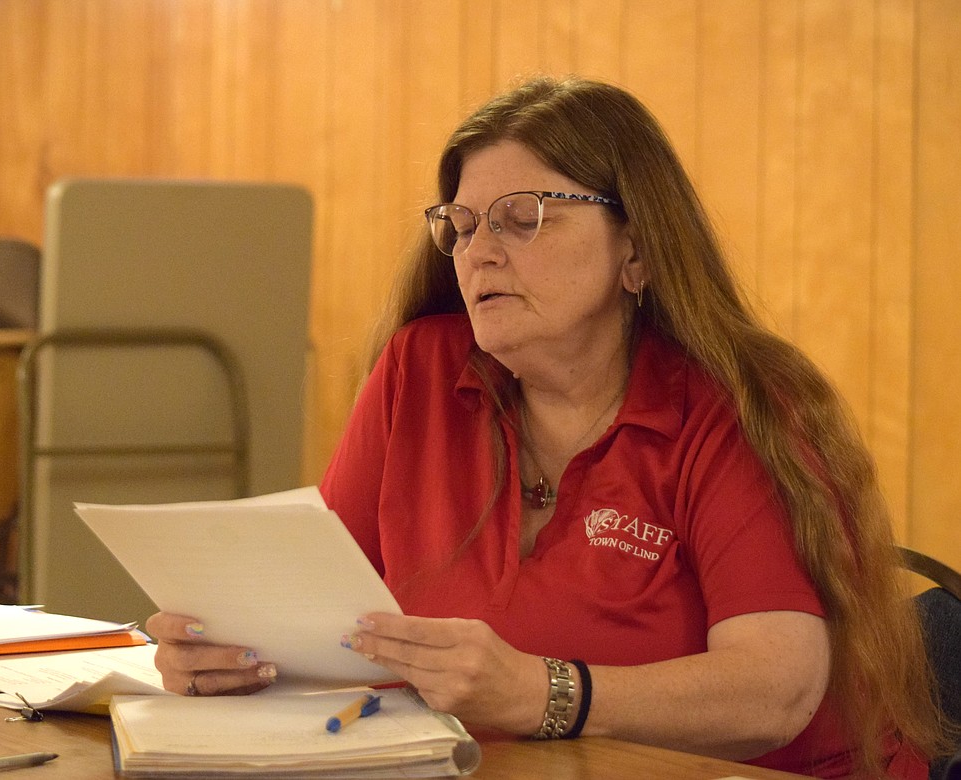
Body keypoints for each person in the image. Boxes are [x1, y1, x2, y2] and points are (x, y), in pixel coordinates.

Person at [147, 76, 948, 778]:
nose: (477, 254)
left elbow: (776, 687)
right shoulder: (418, 369)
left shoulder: (739, 401)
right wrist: (235, 655)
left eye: (521, 217)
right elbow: (322, 619)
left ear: (636, 247)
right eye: (460, 225)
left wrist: (544, 692)